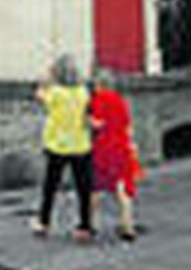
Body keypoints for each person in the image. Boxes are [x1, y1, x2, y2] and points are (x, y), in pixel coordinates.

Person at [30, 54, 94, 243]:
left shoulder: (55, 93)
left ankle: (43, 222)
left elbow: (39, 93)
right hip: (81, 145)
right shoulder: (83, 92)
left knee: (50, 187)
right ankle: (84, 227)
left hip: (57, 146)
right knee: (84, 188)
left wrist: (46, 78)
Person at [88, 68, 142, 241]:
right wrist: (132, 146)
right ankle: (128, 225)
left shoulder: (99, 99)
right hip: (122, 147)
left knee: (95, 188)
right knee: (122, 189)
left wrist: (86, 119)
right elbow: (128, 126)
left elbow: (98, 123)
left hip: (104, 148)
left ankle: (91, 223)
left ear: (98, 84)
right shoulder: (119, 100)